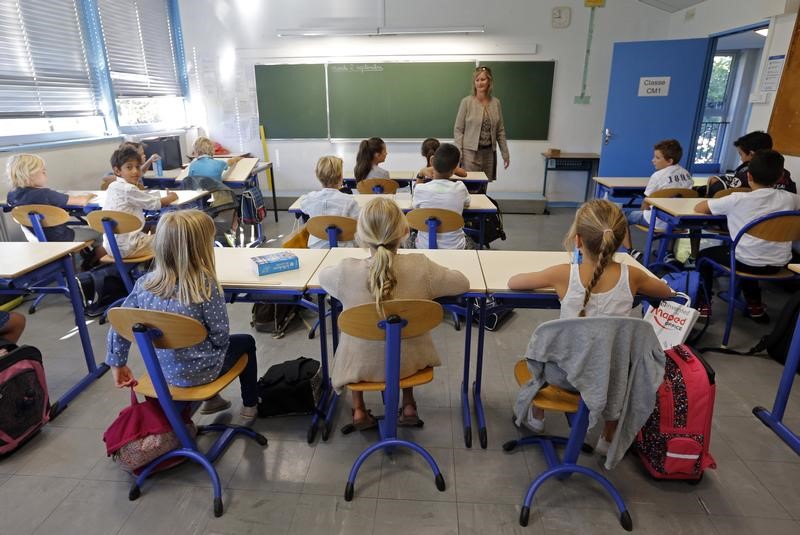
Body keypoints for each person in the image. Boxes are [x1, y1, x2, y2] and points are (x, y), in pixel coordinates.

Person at [507, 199, 673, 453]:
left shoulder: (563, 273)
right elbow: (666, 291)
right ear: (618, 241)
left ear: (578, 240)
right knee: (617, 361)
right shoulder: (633, 275)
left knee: (544, 353)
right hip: (611, 378)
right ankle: (608, 438)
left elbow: (513, 282)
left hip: (566, 377)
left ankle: (537, 417)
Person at [319, 197, 469, 429]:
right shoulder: (422, 266)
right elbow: (462, 283)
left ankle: (358, 410)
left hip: (358, 367)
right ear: (405, 231)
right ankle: (408, 404)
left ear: (360, 235)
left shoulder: (344, 271)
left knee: (353, 340)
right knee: (402, 333)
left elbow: (323, 276)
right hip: (410, 363)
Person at [105, 210, 259, 425]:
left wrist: (117, 363)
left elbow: (120, 323)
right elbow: (220, 335)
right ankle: (251, 404)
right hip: (203, 372)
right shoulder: (205, 287)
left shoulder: (144, 285)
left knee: (192, 346)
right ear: (201, 248)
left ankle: (211, 401)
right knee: (245, 342)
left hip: (164, 372)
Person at [694, 149, 800, 320]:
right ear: (781, 177)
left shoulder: (737, 199)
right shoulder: (792, 199)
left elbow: (700, 208)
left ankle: (703, 305)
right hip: (780, 264)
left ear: (749, 176)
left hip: (745, 262)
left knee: (704, 257)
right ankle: (755, 306)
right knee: (751, 251)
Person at [6, 153, 106, 269]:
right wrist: (89, 196)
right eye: (43, 171)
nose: (45, 174)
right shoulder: (46, 194)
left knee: (79, 230)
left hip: (36, 239)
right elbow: (82, 201)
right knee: (100, 234)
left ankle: (81, 266)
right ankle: (100, 270)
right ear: (30, 175)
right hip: (61, 239)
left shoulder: (12, 195)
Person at [622, 139, 694, 257]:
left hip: (658, 221)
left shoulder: (657, 176)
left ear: (669, 161)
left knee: (621, 216)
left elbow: (645, 204)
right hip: (679, 222)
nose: (653, 160)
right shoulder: (686, 174)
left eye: (657, 157)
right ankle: (668, 253)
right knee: (671, 212)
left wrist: (645, 210)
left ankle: (631, 251)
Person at [104, 146, 177, 257]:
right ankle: (165, 272)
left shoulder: (112, 186)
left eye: (138, 167)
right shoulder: (129, 188)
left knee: (158, 234)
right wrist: (172, 196)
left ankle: (155, 267)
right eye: (129, 167)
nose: (135, 171)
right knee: (176, 239)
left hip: (112, 246)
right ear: (117, 171)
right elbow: (155, 204)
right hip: (130, 246)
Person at [411, 143, 473, 249]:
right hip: (455, 247)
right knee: (471, 241)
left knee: (410, 237)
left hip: (424, 246)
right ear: (454, 169)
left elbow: (415, 207)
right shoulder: (460, 188)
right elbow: (467, 203)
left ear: (432, 162)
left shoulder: (420, 189)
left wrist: (421, 174)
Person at [453, 66, 510, 181]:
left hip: (489, 154)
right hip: (470, 154)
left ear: (489, 81)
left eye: (483, 79)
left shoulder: (496, 103)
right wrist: (458, 154)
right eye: (477, 80)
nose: (480, 83)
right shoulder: (466, 102)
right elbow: (458, 130)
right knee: (470, 186)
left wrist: (505, 154)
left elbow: (500, 131)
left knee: (483, 185)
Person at [706, 131, 796, 197]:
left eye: (741, 154)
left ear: (752, 154)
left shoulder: (751, 172)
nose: (741, 158)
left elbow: (717, 189)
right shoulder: (784, 174)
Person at [298, 156, 360, 248]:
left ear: (317, 175)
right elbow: (359, 222)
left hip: (317, 248)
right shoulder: (349, 201)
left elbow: (303, 207)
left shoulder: (310, 198)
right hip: (345, 248)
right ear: (341, 177)